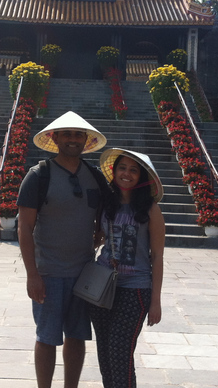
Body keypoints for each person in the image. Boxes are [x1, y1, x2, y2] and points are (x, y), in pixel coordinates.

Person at [17, 111, 108, 388]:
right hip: (49, 273)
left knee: (77, 336)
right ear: (55, 138)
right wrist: (32, 275)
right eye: (66, 134)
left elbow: (106, 214)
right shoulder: (39, 175)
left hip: (84, 273)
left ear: (86, 140)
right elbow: (24, 228)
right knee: (47, 337)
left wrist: (99, 233)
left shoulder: (94, 176)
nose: (72, 139)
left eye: (78, 134)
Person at [90, 148, 166, 388]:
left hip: (135, 289)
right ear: (114, 171)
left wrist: (156, 301)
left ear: (141, 177)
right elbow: (97, 239)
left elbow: (158, 257)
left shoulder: (151, 210)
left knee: (120, 352)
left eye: (133, 170)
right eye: (122, 167)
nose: (127, 173)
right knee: (105, 353)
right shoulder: (106, 204)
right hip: (102, 286)